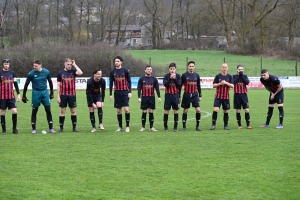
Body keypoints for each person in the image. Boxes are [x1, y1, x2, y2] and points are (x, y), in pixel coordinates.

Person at [22, 60, 56, 134]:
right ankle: (33, 129)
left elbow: (50, 82)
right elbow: (26, 85)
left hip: (45, 93)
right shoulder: (31, 73)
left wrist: (52, 93)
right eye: (33, 66)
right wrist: (24, 95)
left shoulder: (46, 72)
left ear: (40, 65)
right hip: (36, 93)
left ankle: (51, 128)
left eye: (36, 66)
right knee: (34, 111)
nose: (34, 67)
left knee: (48, 110)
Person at [57, 58, 83, 132]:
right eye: (68, 64)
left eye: (70, 65)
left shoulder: (73, 72)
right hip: (63, 95)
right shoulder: (60, 73)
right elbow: (58, 86)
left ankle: (74, 127)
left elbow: (81, 72)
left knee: (73, 110)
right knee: (62, 111)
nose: (69, 66)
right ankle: (61, 128)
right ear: (64, 64)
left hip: (72, 95)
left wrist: (74, 64)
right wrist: (58, 96)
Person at [109, 56, 132, 132]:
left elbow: (129, 81)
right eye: (115, 61)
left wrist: (129, 92)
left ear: (121, 62)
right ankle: (120, 127)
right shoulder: (112, 72)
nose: (116, 62)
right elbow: (111, 83)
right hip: (117, 93)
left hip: (125, 92)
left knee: (126, 109)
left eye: (118, 61)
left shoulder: (125, 70)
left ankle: (127, 126)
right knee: (119, 110)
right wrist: (110, 94)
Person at [210, 63, 234, 130]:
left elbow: (232, 86)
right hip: (218, 96)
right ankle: (213, 124)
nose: (224, 69)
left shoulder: (229, 76)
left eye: (225, 67)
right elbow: (214, 85)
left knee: (226, 111)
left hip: (226, 97)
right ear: (221, 68)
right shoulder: (218, 76)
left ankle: (226, 125)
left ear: (227, 68)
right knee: (216, 109)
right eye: (223, 67)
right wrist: (220, 83)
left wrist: (226, 83)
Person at [137, 65, 161, 131]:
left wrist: (159, 96)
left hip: (151, 97)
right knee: (144, 111)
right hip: (144, 97)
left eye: (150, 69)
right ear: (145, 70)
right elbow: (139, 89)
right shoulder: (141, 79)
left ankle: (151, 127)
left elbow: (157, 89)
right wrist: (139, 97)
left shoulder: (154, 79)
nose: (149, 70)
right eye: (147, 69)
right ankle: (143, 127)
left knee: (151, 111)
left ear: (151, 70)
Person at [0, 59, 21, 135]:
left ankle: (14, 129)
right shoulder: (0, 73)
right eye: (5, 64)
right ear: (3, 64)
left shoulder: (12, 73)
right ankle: (4, 130)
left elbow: (15, 84)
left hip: (11, 96)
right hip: (2, 97)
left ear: (9, 65)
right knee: (3, 112)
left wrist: (18, 94)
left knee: (14, 111)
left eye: (7, 64)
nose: (6, 65)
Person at [180, 61, 202, 131]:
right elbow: (180, 86)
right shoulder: (184, 75)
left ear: (194, 67)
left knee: (198, 110)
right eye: (190, 66)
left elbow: (198, 85)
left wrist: (200, 95)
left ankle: (197, 126)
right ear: (188, 67)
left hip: (195, 95)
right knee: (185, 110)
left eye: (192, 66)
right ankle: (184, 126)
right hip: (187, 94)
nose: (191, 67)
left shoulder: (197, 75)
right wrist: (179, 96)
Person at [163, 62, 181, 132]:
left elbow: (179, 85)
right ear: (169, 69)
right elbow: (165, 85)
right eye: (171, 69)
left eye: (173, 69)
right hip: (168, 95)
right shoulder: (166, 76)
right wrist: (170, 78)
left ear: (175, 69)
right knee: (166, 111)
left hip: (175, 95)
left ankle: (175, 127)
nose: (172, 70)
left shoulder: (178, 76)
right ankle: (165, 127)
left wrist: (175, 79)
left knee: (176, 111)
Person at [233, 64, 252, 129]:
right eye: (239, 69)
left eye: (241, 69)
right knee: (238, 110)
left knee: (246, 110)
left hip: (244, 95)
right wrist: (239, 76)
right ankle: (239, 125)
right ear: (237, 70)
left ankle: (248, 125)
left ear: (243, 70)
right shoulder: (234, 76)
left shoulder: (245, 76)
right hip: (237, 95)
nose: (240, 71)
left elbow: (247, 82)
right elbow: (234, 82)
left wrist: (242, 76)